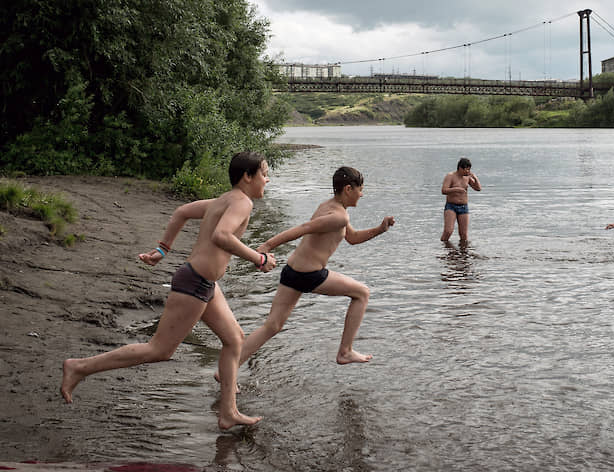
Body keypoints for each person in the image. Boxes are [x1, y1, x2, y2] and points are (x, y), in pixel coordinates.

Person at [60, 151, 277, 430]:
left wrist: (163, 248)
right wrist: (259, 259)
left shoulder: (225, 199)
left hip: (205, 283)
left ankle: (228, 413)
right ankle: (80, 367)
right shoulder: (242, 202)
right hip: (195, 282)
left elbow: (182, 212)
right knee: (160, 349)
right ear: (247, 177)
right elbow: (221, 236)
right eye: (264, 173)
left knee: (234, 339)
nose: (267, 180)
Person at [237, 166, 394, 368]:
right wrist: (267, 246)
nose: (361, 194)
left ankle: (227, 370)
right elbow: (304, 228)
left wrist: (380, 229)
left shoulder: (331, 207)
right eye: (360, 189)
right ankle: (345, 351)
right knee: (362, 293)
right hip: (309, 274)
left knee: (272, 326)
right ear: (348, 189)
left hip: (292, 271)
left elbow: (352, 238)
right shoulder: (339, 216)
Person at [440, 157, 481, 242]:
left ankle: (463, 253)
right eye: (466, 169)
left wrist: (475, 178)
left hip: (463, 207)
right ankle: (442, 249)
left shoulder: (467, 177)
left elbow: (478, 188)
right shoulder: (450, 176)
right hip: (451, 206)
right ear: (460, 168)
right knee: (448, 231)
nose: (468, 172)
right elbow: (444, 190)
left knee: (463, 235)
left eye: (469, 170)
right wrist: (456, 189)